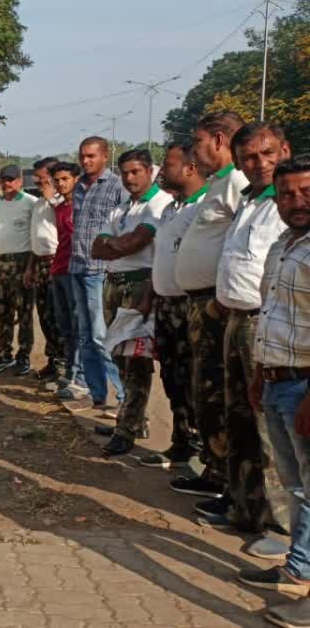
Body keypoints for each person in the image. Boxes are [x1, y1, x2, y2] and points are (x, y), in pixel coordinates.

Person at [198, 122, 293, 555]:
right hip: (236, 320)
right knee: (237, 417)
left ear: (284, 150)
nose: (259, 163)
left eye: (266, 153)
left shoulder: (291, 204)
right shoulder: (252, 202)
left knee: (270, 426)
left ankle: (281, 528)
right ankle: (244, 506)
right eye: (249, 158)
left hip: (266, 324)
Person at [234, 156, 310, 628]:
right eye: (286, 194)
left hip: (306, 386)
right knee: (298, 487)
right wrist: (261, 374)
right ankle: (299, 567)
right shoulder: (285, 244)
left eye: (305, 192)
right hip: (279, 381)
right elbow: (274, 315)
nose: (296, 202)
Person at [171, 111, 249, 502]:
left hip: (217, 307)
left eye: (198, 141)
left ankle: (228, 482)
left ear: (219, 140)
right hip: (201, 305)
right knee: (205, 393)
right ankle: (215, 469)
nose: (194, 150)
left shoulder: (237, 182)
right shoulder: (219, 184)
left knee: (219, 394)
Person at [89, 149, 173, 456]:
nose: (129, 178)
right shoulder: (123, 207)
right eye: (125, 172)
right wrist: (115, 245)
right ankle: (132, 418)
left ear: (150, 171)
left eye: (136, 171)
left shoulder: (158, 203)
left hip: (139, 286)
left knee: (136, 359)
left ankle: (127, 430)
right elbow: (97, 248)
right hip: (114, 283)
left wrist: (115, 244)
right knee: (119, 356)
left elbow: (136, 241)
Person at [139, 142, 208, 471]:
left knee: (195, 378)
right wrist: (151, 295)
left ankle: (205, 453)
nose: (161, 172)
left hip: (190, 307)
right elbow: (161, 257)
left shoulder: (204, 207)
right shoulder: (170, 209)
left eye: (167, 165)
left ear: (191, 168)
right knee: (171, 375)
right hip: (165, 305)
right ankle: (182, 440)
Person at [61, 136, 128, 412]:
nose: (86, 161)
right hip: (77, 266)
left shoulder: (116, 186)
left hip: (99, 271)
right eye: (83, 156)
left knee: (102, 337)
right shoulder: (79, 188)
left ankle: (124, 398)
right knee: (85, 336)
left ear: (105, 156)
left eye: (91, 156)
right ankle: (98, 394)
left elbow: (125, 227)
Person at [0, 165, 38, 375]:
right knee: (3, 312)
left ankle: (24, 356)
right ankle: (5, 354)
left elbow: (36, 237)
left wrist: (31, 268)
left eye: (11, 180)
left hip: (22, 263)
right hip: (1, 264)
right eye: (3, 180)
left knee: (24, 312)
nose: (6, 184)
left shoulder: (31, 203)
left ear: (20, 181)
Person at [47, 162, 85, 394]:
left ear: (75, 179)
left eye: (65, 179)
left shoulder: (83, 206)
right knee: (66, 326)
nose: (61, 184)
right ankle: (70, 371)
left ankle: (79, 377)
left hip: (76, 271)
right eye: (57, 180)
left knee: (79, 324)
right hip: (59, 269)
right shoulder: (60, 208)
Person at [26, 157, 65, 382]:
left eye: (42, 177)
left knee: (57, 314)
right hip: (40, 263)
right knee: (44, 315)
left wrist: (53, 199)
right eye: (37, 177)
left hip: (56, 262)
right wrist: (31, 267)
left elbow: (66, 223)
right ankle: (53, 360)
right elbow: (36, 239)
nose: (37, 181)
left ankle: (63, 365)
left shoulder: (61, 201)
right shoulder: (38, 203)